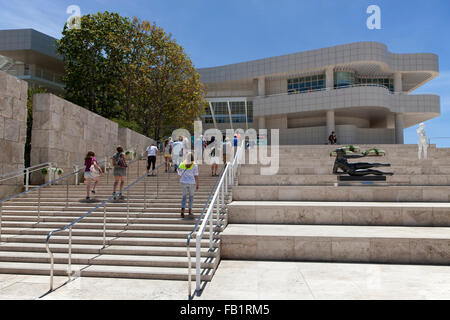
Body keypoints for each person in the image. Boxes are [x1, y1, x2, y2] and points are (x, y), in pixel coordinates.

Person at [178, 153, 199, 218]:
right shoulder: (194, 165)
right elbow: (196, 176)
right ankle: (190, 210)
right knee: (191, 197)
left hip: (183, 182)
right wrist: (197, 184)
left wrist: (181, 179)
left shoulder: (182, 164)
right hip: (192, 182)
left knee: (184, 196)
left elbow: (179, 174)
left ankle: (182, 210)